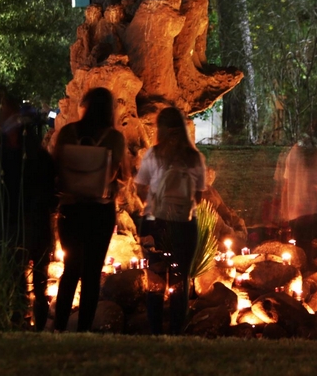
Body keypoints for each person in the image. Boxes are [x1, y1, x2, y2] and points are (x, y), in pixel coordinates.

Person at [52, 88, 125, 332]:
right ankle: (83, 330)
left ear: (85, 106)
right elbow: (116, 173)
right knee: (92, 273)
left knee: (71, 269)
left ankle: (60, 326)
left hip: (71, 209)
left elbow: (56, 168)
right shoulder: (114, 138)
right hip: (100, 210)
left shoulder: (67, 132)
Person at [135, 107, 207, 335]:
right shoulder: (194, 156)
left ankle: (155, 330)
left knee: (156, 280)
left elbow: (140, 187)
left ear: (161, 129)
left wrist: (154, 203)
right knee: (180, 278)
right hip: (185, 224)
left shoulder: (154, 154)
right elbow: (199, 195)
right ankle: (177, 330)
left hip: (155, 223)